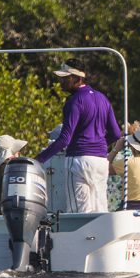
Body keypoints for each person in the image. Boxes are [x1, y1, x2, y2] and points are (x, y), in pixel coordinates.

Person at [35, 59, 122, 213]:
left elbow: (64, 139)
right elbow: (116, 133)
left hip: (78, 161)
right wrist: (99, 144)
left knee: (79, 212)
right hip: (101, 161)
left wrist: (38, 160)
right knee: (99, 209)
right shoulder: (103, 98)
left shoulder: (74, 101)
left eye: (65, 78)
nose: (61, 81)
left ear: (77, 78)